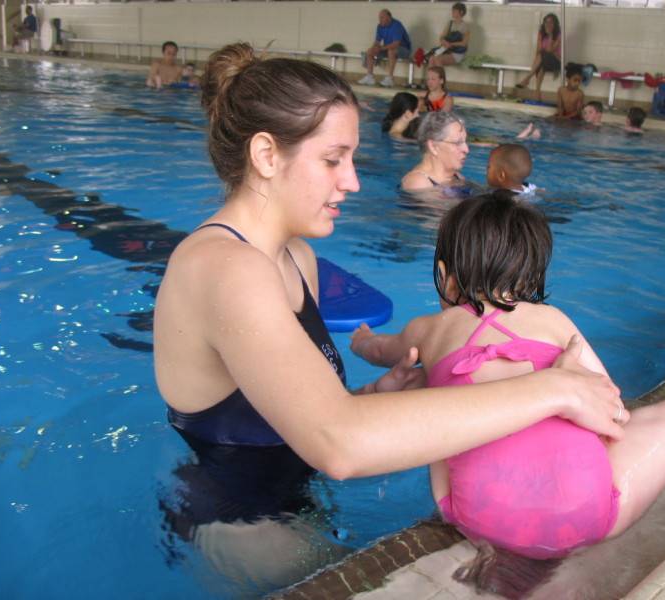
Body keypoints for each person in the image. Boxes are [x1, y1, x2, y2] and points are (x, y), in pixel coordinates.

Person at [154, 41, 623, 588]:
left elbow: (295, 415)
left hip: (298, 496)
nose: (352, 180)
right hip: (237, 521)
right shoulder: (223, 268)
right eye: (333, 159)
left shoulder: (296, 258)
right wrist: (558, 390)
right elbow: (339, 444)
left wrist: (374, 399)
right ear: (265, 155)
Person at [351, 191, 665, 562]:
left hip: (477, 519)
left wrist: (363, 339)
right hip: (588, 520)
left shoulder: (427, 329)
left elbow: (379, 353)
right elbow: (610, 406)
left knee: (432, 394)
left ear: (447, 279)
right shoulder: (554, 320)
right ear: (530, 275)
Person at [401, 111, 470, 194]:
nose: (466, 149)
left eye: (465, 142)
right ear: (433, 147)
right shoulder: (418, 183)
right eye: (458, 143)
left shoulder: (458, 177)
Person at [358, 10, 412, 88]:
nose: (380, 19)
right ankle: (369, 77)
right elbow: (377, 41)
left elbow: (396, 44)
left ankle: (390, 78)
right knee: (370, 51)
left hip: (404, 50)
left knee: (391, 51)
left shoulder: (397, 25)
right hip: (387, 48)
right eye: (379, 17)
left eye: (382, 17)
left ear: (389, 17)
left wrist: (382, 48)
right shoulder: (380, 26)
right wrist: (375, 48)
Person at [516, 13, 561, 101]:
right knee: (541, 63)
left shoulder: (559, 34)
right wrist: (534, 65)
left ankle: (527, 79)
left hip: (556, 61)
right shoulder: (541, 33)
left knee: (543, 55)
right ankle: (537, 93)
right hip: (544, 60)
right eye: (546, 22)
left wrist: (550, 35)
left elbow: (549, 50)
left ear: (555, 24)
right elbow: (538, 50)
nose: (548, 24)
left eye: (551, 22)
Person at [426, 2, 470, 69]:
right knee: (431, 58)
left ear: (461, 12)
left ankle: (440, 79)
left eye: (454, 11)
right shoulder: (450, 23)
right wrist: (443, 41)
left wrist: (451, 44)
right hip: (446, 50)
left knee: (438, 59)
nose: (452, 12)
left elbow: (464, 43)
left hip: (457, 53)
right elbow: (441, 37)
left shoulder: (465, 26)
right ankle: (431, 78)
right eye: (452, 11)